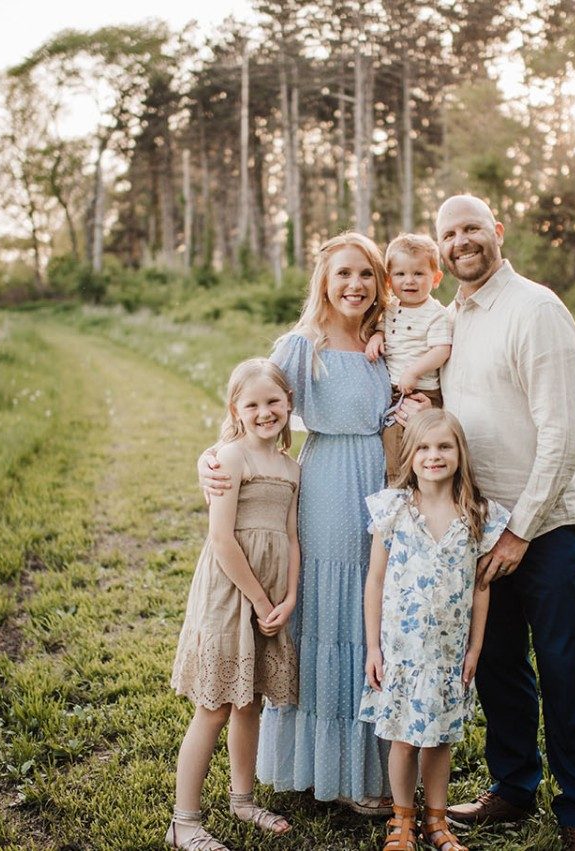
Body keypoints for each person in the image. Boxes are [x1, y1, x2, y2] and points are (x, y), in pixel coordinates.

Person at [404, 195, 575, 851]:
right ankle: (514, 787)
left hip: (544, 528)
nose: (462, 240)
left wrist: (522, 529)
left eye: (471, 228)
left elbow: (563, 433)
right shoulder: (455, 319)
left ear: (497, 232)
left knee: (562, 665)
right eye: (449, 233)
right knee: (495, 664)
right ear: (441, 249)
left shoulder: (535, 310)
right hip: (480, 527)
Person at [200, 232, 395, 813]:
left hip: (383, 481)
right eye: (343, 274)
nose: (354, 285)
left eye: (365, 273)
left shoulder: (389, 338)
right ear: (324, 282)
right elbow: (249, 412)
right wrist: (208, 462)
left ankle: (368, 770)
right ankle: (318, 767)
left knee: (373, 616)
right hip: (328, 483)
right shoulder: (299, 346)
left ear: (378, 281)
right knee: (328, 612)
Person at [167, 358, 302, 851]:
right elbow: (222, 540)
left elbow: (291, 536)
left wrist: (287, 598)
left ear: (289, 404)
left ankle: (242, 799)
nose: (265, 412)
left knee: (252, 702)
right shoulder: (231, 458)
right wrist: (261, 598)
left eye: (274, 402)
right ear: (236, 409)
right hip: (231, 592)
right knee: (217, 705)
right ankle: (184, 821)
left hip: (269, 597)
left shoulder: (291, 467)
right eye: (253, 404)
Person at [359, 409, 509, 851]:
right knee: (403, 740)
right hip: (401, 651)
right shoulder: (394, 509)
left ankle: (437, 822)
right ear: (410, 455)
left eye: (444, 446)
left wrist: (475, 649)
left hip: (447, 653)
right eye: (423, 447)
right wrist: (373, 647)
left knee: (439, 740)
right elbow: (376, 580)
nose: (433, 456)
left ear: (460, 453)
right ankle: (402, 821)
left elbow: (481, 589)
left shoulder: (477, 514)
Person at [364, 234, 453, 482]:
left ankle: (397, 484)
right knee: (387, 437)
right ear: (389, 280)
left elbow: (441, 350)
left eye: (418, 273)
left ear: (435, 279)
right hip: (392, 388)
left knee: (398, 437)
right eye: (401, 274)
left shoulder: (436, 314)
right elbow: (385, 329)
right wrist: (376, 337)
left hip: (419, 390)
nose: (409, 281)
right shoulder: (390, 308)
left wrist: (413, 372)